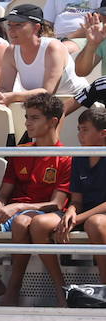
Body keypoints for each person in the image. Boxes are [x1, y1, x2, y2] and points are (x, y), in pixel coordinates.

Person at [0, 92, 71, 307]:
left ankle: (18, 291)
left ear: (53, 121)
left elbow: (57, 204)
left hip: (43, 214)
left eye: (34, 118)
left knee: (22, 221)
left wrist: (17, 206)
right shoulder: (20, 151)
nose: (27, 122)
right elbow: (3, 192)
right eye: (27, 117)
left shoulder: (66, 156)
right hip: (14, 211)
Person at [36, 107, 106, 292]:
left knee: (95, 224)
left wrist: (77, 218)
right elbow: (77, 200)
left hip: (95, 219)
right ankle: (61, 291)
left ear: (102, 134)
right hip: (82, 216)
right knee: (39, 224)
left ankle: (104, 290)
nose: (79, 135)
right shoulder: (79, 157)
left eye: (85, 130)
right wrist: (71, 211)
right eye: (78, 129)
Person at [0, 3, 84, 102]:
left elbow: (47, 92)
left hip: (78, 103)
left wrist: (12, 97)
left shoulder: (53, 48)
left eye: (18, 25)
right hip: (44, 106)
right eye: (10, 25)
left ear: (36, 27)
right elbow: (4, 89)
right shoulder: (10, 51)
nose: (11, 31)